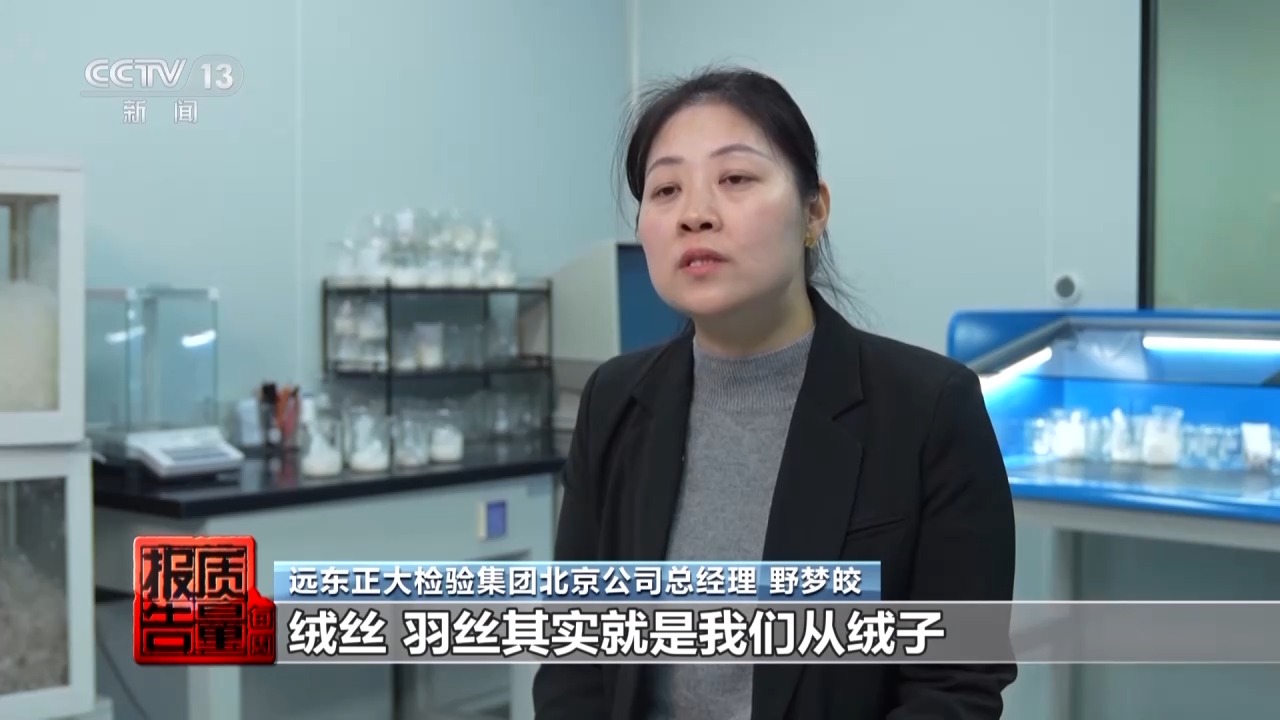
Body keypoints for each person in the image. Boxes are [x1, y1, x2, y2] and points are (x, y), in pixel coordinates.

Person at [533, 66, 1016, 720]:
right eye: (666, 189)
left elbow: (955, 685)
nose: (695, 215)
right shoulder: (613, 400)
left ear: (814, 211)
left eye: (735, 179)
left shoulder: (929, 409)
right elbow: (574, 659)